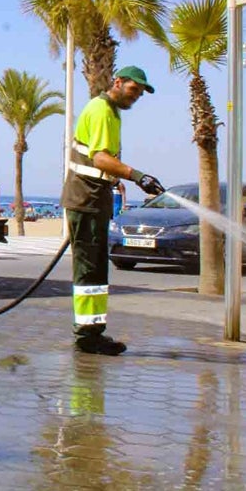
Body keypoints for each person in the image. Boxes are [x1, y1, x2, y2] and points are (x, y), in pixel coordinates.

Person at [61, 65, 166, 356]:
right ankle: (87, 336)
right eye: (134, 90)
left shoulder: (110, 111)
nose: (136, 97)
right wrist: (137, 175)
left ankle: (92, 332)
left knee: (95, 270)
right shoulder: (102, 110)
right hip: (85, 200)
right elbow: (101, 159)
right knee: (88, 271)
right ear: (117, 82)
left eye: (141, 94)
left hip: (93, 199)